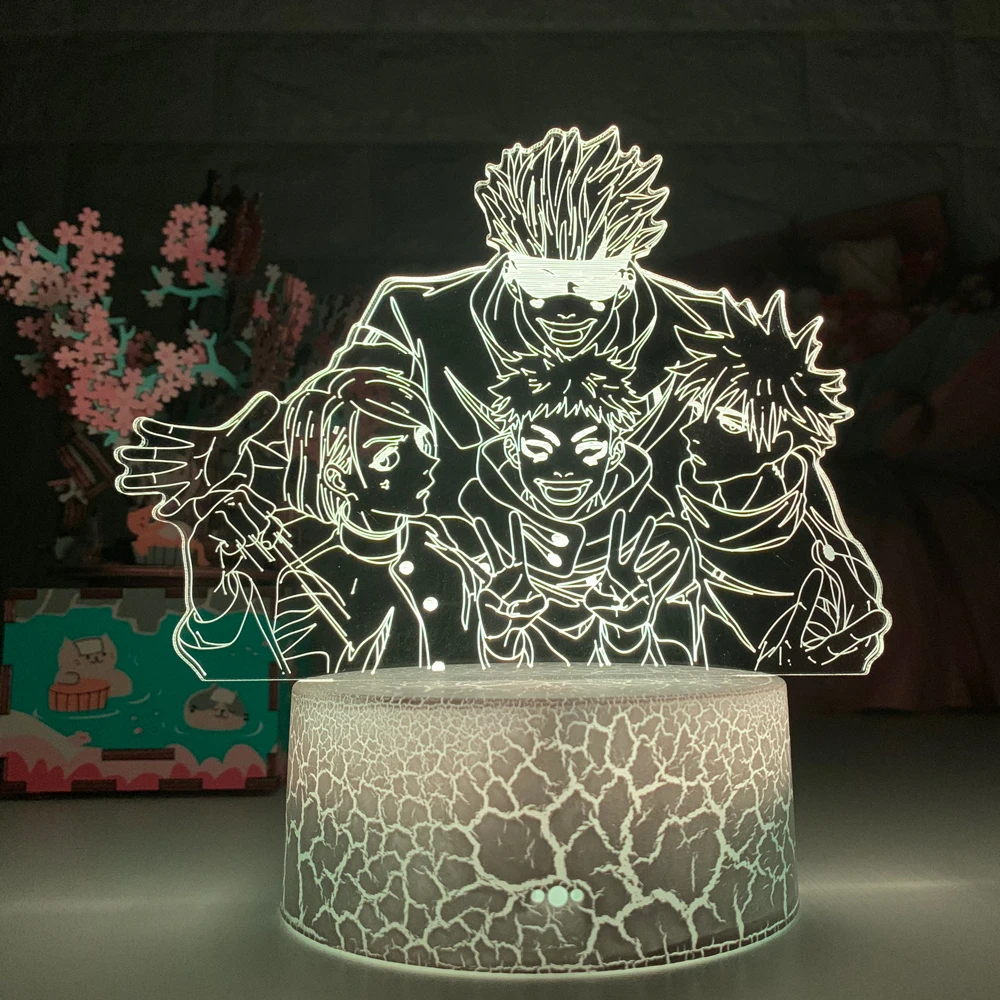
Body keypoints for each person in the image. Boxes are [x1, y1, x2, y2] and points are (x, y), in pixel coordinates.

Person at [339, 125, 728, 520]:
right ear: (510, 271)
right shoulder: (411, 317)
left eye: (593, 283)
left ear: (626, 276)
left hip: (657, 547)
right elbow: (340, 426)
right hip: (457, 546)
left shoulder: (710, 328)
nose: (567, 309)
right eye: (542, 280)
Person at [115, 336, 469, 678]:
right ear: (336, 476)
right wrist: (232, 562)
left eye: (424, 442)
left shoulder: (446, 556)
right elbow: (217, 653)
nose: (427, 463)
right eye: (387, 456)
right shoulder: (314, 576)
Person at [670, 291, 891, 673]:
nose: (693, 433)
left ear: (781, 444)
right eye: (695, 412)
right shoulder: (666, 502)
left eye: (729, 425)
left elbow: (851, 630)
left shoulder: (819, 559)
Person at [447, 350, 698, 667]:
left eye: (589, 448)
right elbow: (450, 663)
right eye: (538, 447)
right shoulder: (470, 541)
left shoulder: (660, 546)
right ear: (512, 449)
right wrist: (498, 636)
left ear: (615, 452)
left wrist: (629, 633)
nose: (563, 470)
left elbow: (686, 664)